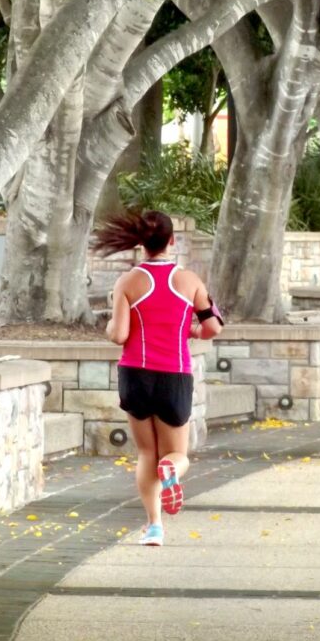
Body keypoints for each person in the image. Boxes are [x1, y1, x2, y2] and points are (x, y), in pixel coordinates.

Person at [93, 210, 223, 547]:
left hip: (135, 375)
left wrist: (109, 326)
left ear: (141, 243)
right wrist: (190, 330)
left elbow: (119, 335)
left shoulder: (128, 282)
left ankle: (154, 528)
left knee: (147, 454)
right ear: (171, 241)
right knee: (175, 455)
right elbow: (213, 327)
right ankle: (172, 473)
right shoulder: (190, 281)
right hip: (174, 376)